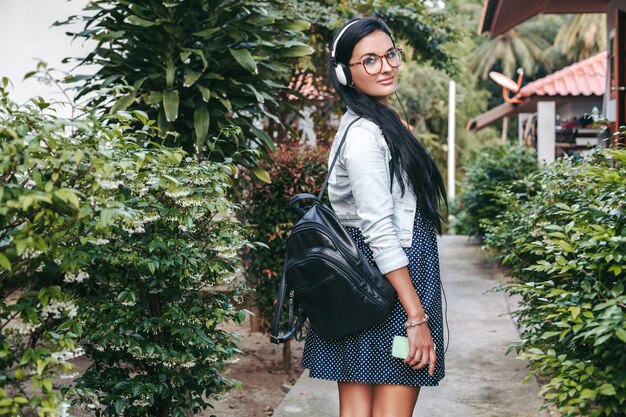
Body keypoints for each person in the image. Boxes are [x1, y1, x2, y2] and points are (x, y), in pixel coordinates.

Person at [301, 17, 447, 417]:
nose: (384, 66)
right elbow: (379, 229)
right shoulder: (365, 136)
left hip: (369, 284)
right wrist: (416, 316)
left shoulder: (377, 125)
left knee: (359, 407)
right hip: (390, 287)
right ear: (344, 73)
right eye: (368, 60)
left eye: (389, 55)